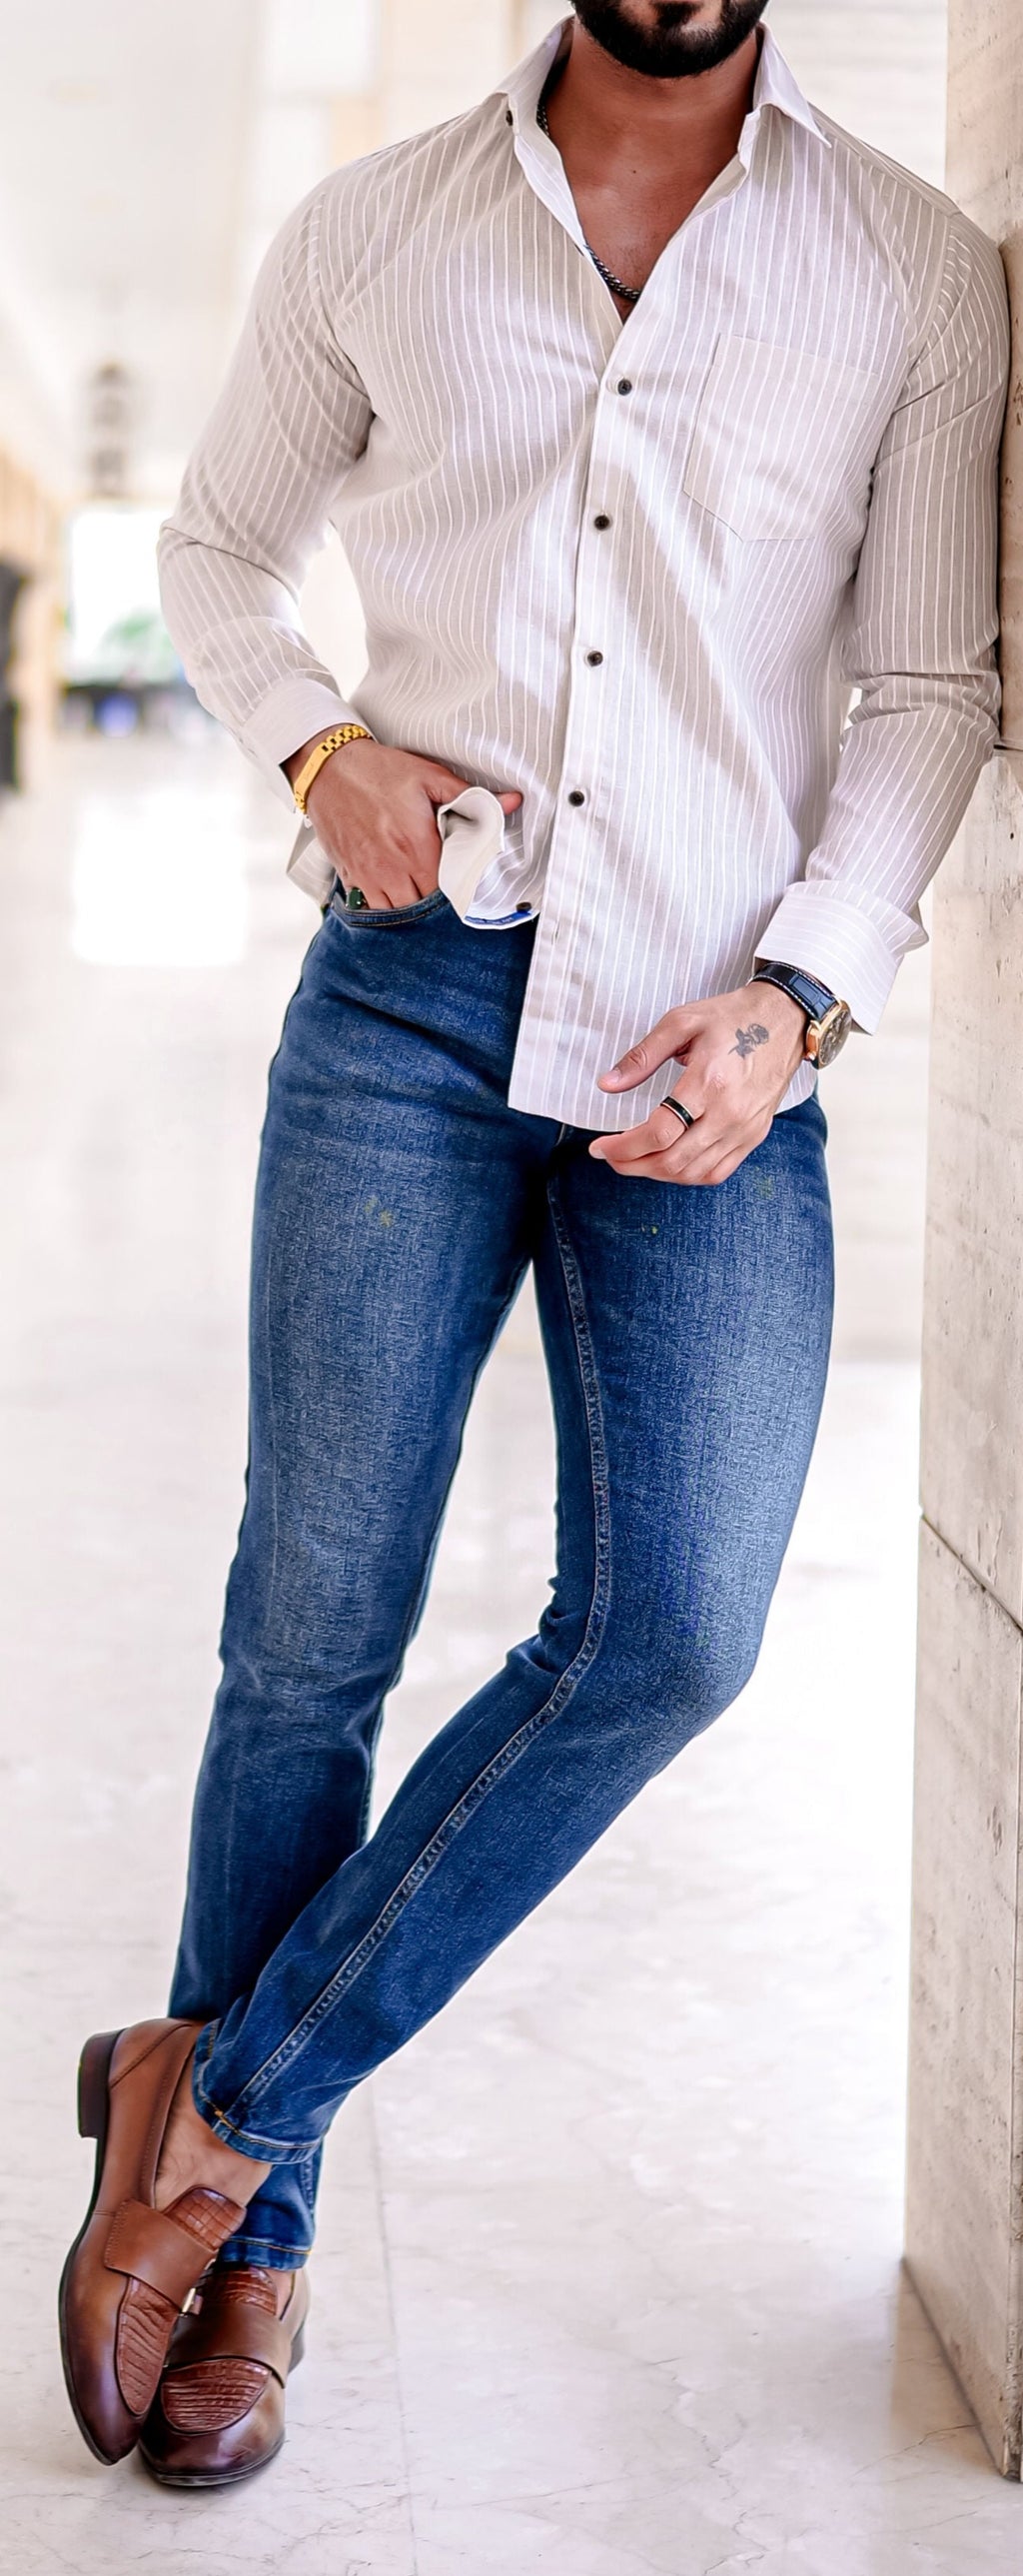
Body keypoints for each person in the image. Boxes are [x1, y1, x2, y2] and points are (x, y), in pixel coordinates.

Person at [59, 0, 1008, 2489]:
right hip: (403, 1001)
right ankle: (251, 2257)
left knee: (674, 1621)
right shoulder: (372, 226)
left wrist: (799, 999)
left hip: (712, 1039)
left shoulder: (908, 266)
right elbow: (215, 550)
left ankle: (213, 2101)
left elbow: (926, 685)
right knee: (310, 1628)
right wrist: (314, 745)